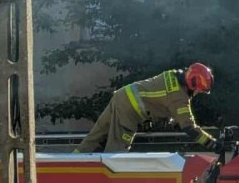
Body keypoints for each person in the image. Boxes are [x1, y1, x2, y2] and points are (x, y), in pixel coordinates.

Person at [74, 63, 216, 153]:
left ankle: (71, 163)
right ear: (192, 84)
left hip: (122, 95)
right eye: (199, 90)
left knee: (96, 134)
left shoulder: (173, 74)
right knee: (116, 152)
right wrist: (212, 144)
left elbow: (157, 98)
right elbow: (189, 128)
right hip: (129, 110)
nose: (198, 94)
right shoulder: (179, 98)